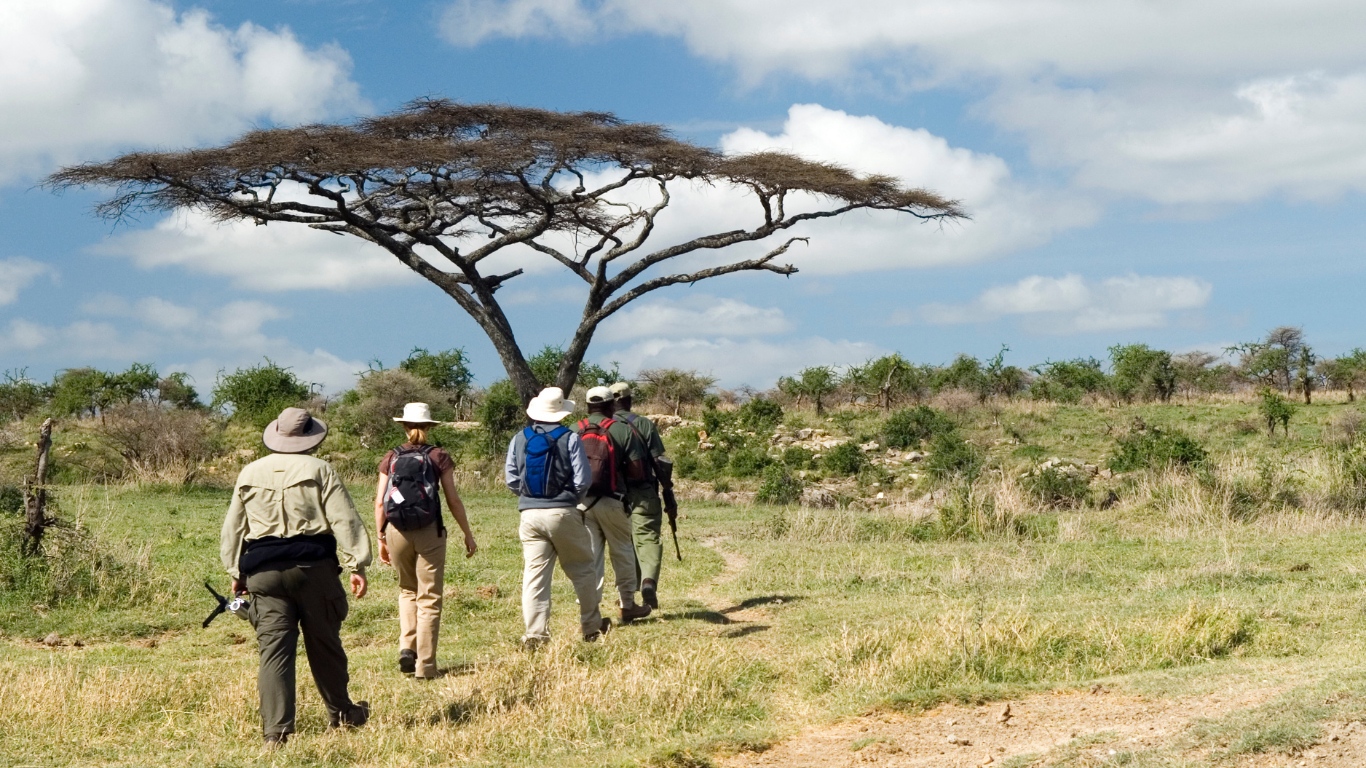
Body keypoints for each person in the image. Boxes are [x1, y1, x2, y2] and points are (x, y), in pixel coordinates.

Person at [220, 407, 372, 748]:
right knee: (324, 644)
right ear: (310, 438)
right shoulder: (321, 469)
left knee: (273, 652)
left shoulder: (250, 472)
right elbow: (344, 520)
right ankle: (343, 713)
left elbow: (234, 527)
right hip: (313, 570)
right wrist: (356, 565)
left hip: (263, 572)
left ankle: (276, 733)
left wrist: (236, 571)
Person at [374, 402, 478, 680]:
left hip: (396, 530)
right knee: (429, 598)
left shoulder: (391, 457)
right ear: (429, 427)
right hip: (430, 530)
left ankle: (407, 647)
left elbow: (380, 501)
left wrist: (380, 537)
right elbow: (453, 499)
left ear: (405, 426)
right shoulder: (438, 456)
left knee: (407, 590)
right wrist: (467, 533)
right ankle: (426, 667)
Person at [504, 387, 608, 645]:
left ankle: (535, 634)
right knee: (583, 570)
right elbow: (583, 479)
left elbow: (511, 479)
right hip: (563, 511)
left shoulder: (520, 438)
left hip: (529, 514)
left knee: (535, 576)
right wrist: (570, 500)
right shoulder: (570, 437)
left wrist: (528, 496)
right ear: (561, 412)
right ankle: (591, 627)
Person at [572, 386, 652, 624]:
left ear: (587, 406)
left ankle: (589, 610)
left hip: (582, 503)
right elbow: (637, 471)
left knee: (591, 557)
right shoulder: (621, 430)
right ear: (610, 406)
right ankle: (627, 605)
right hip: (614, 500)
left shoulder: (573, 430)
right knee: (622, 552)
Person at [609, 381, 676, 609]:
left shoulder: (605, 426)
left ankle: (627, 596)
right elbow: (659, 461)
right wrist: (667, 490)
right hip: (643, 491)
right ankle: (648, 580)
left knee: (624, 543)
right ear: (629, 400)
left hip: (612, 494)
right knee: (646, 537)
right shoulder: (644, 424)